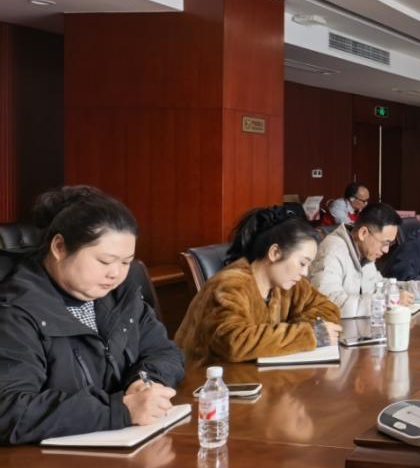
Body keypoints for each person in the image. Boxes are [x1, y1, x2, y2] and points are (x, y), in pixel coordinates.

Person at [0, 186, 185, 445]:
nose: (116, 274)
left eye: (126, 262)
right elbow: (9, 410)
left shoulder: (121, 295)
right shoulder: (15, 311)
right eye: (105, 261)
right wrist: (119, 410)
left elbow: (164, 351)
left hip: (119, 447)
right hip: (44, 463)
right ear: (59, 247)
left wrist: (145, 382)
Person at [175, 207, 341, 362]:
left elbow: (328, 309)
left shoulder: (288, 284)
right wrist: (306, 335)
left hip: (255, 376)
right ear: (275, 253)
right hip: (204, 377)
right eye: (302, 263)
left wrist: (291, 334)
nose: (305, 272)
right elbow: (234, 342)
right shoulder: (230, 284)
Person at [308, 203, 420, 316]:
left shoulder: (364, 251)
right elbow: (328, 303)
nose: (386, 250)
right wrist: (386, 302)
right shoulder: (332, 250)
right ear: (363, 233)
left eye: (390, 244)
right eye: (385, 243)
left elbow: (378, 285)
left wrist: (417, 288)